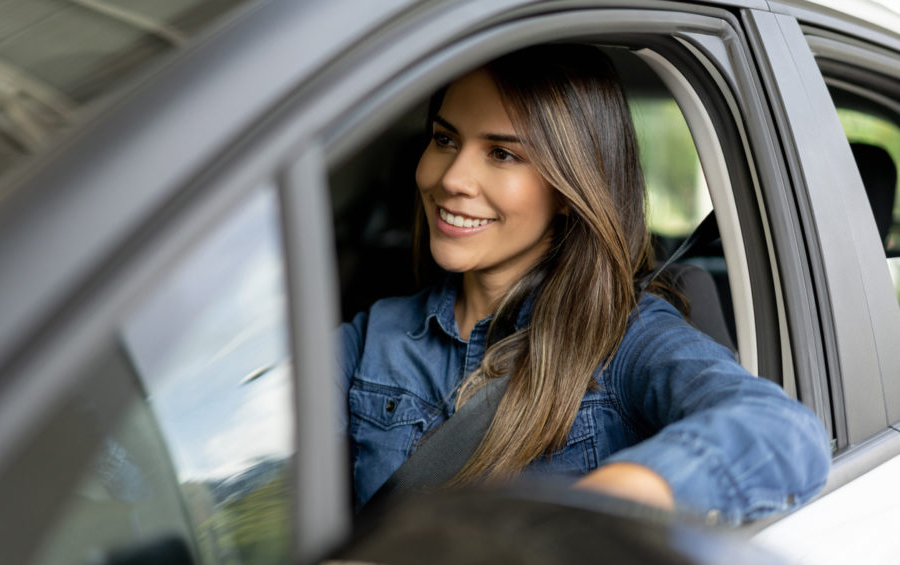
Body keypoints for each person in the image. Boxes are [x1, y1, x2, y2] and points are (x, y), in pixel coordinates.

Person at [338, 44, 831, 525]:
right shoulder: (374, 335)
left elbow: (782, 432)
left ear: (571, 189)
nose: (453, 178)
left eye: (503, 154)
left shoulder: (627, 340)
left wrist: (604, 505)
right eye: (445, 139)